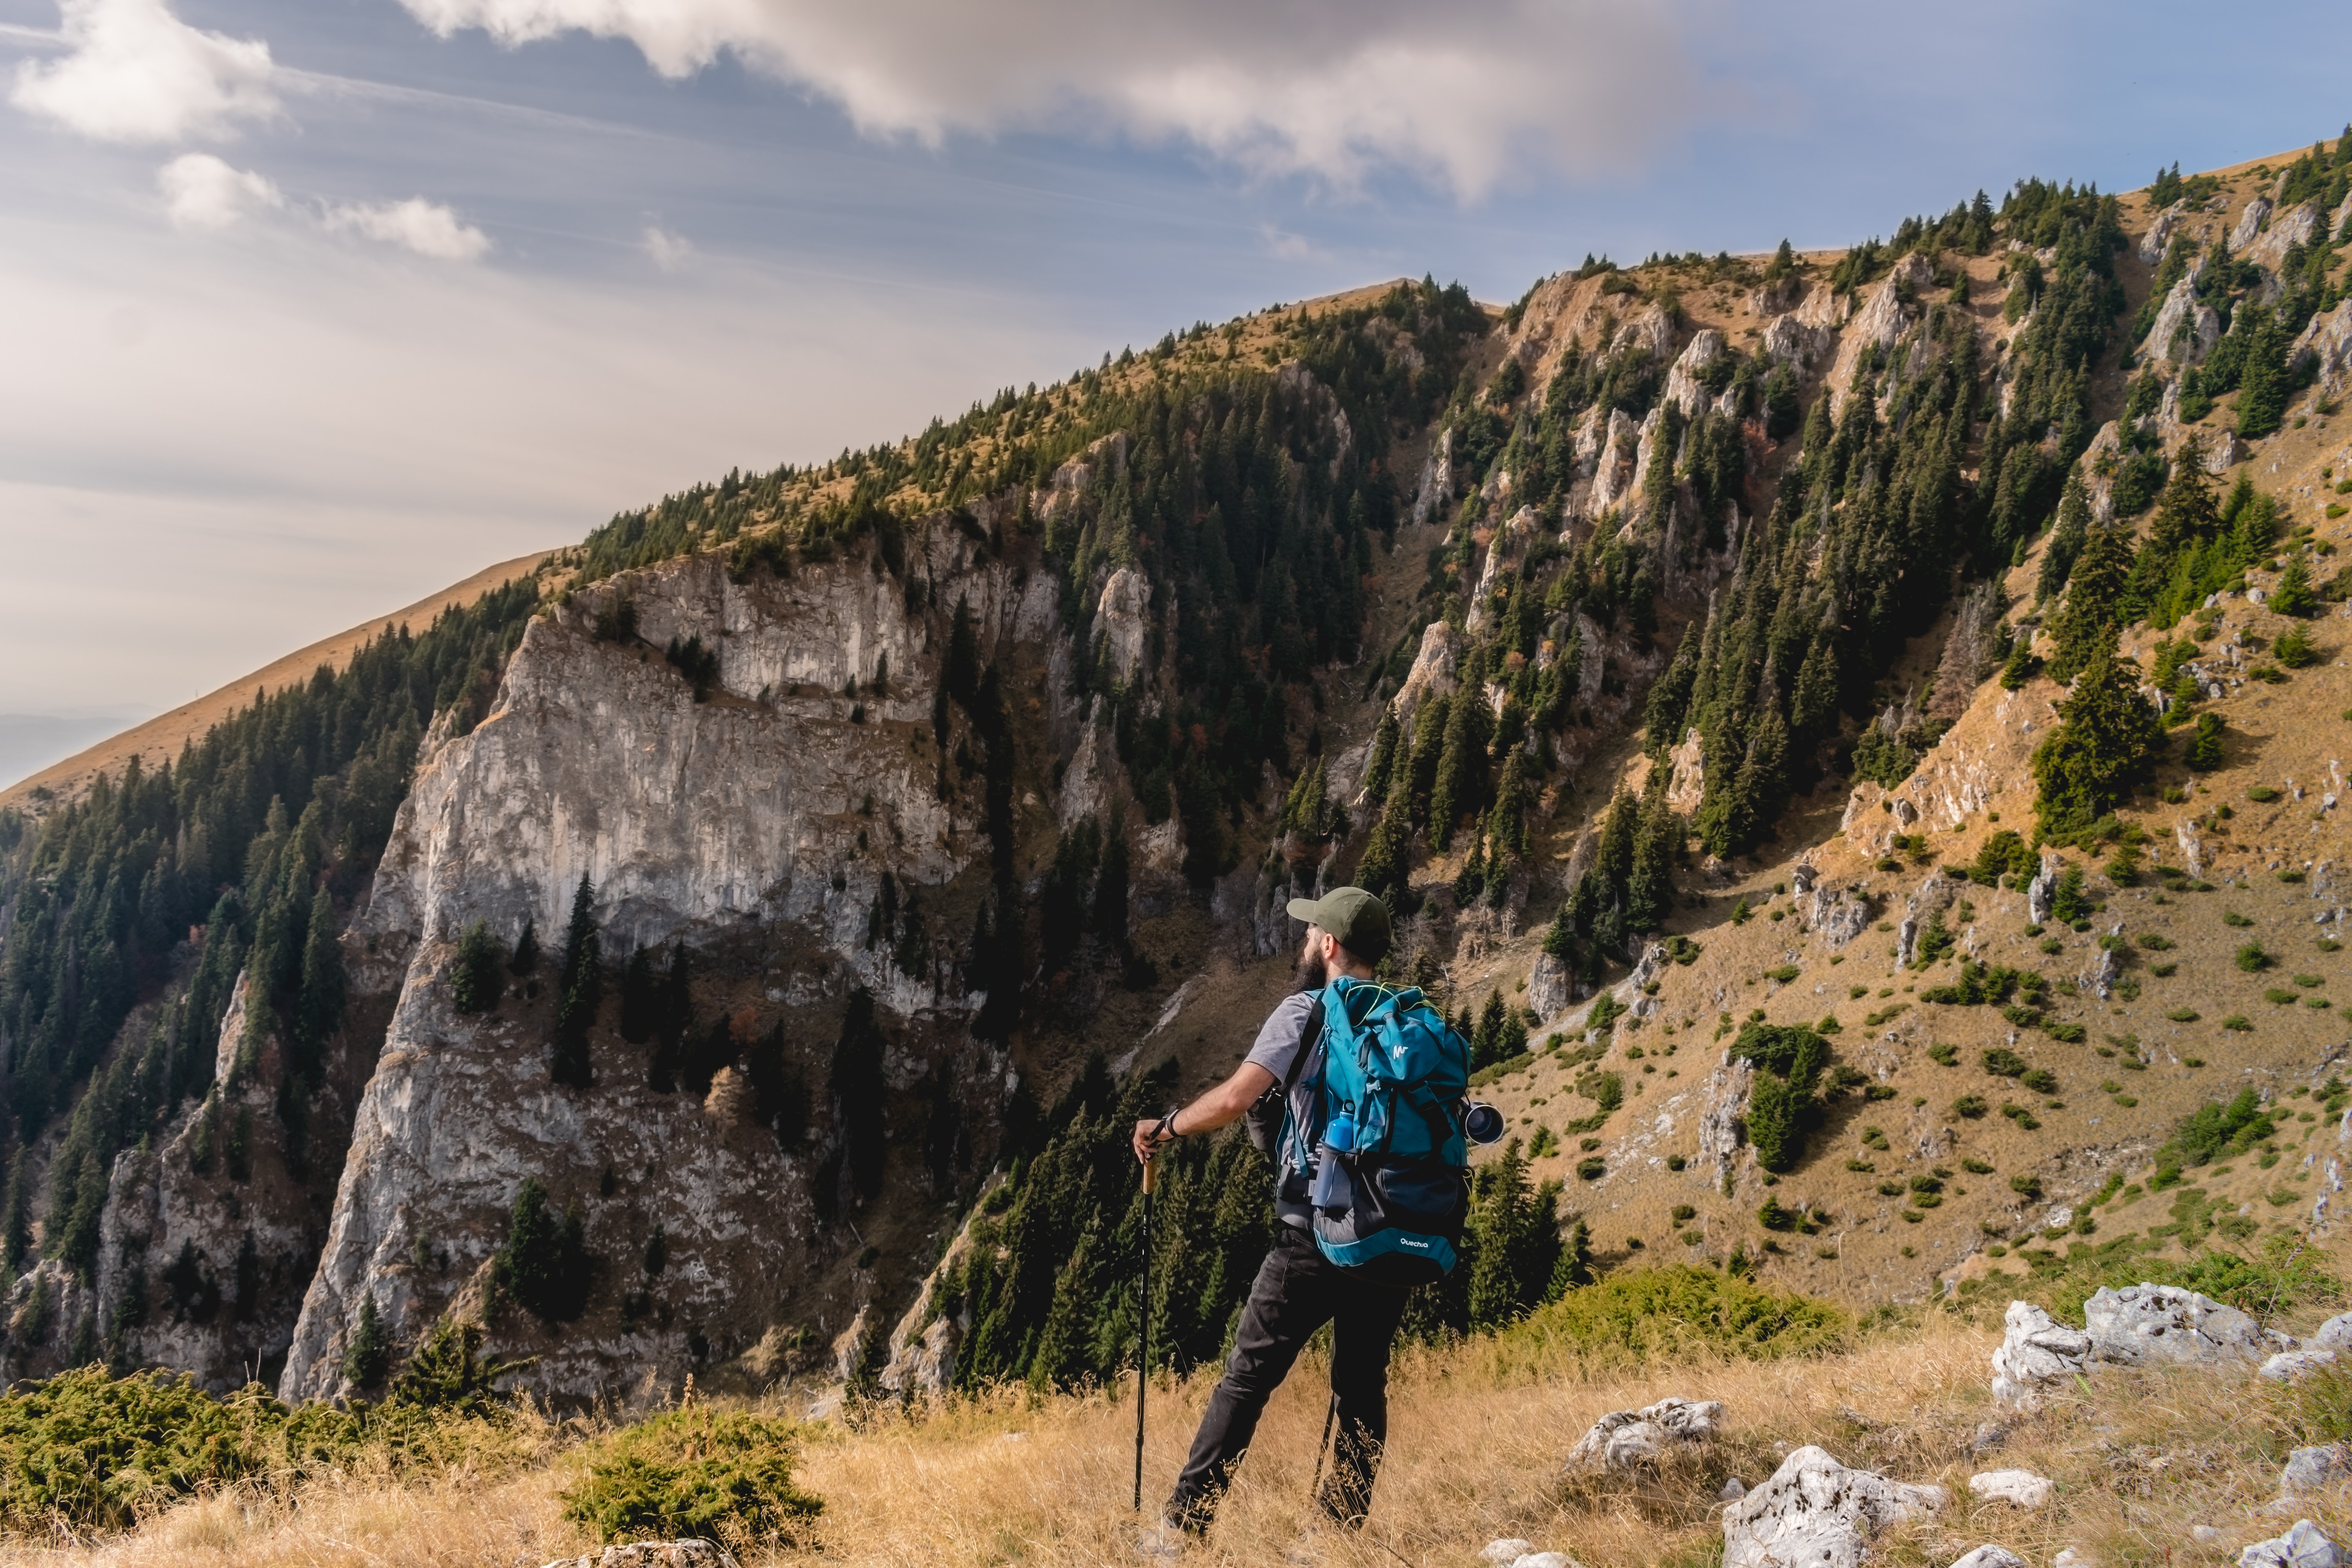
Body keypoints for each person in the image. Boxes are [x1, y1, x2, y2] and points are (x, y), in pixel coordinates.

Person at [1131, 886, 1406, 1546]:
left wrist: (1164, 1127)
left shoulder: (1307, 1010)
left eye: (1313, 932)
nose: (1306, 941)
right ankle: (1334, 1542)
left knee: (1246, 1381)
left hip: (1311, 1234)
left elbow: (1233, 1099)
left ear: (1331, 945)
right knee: (1361, 1387)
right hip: (1388, 1233)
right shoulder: (1407, 1021)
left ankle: (1182, 1533)